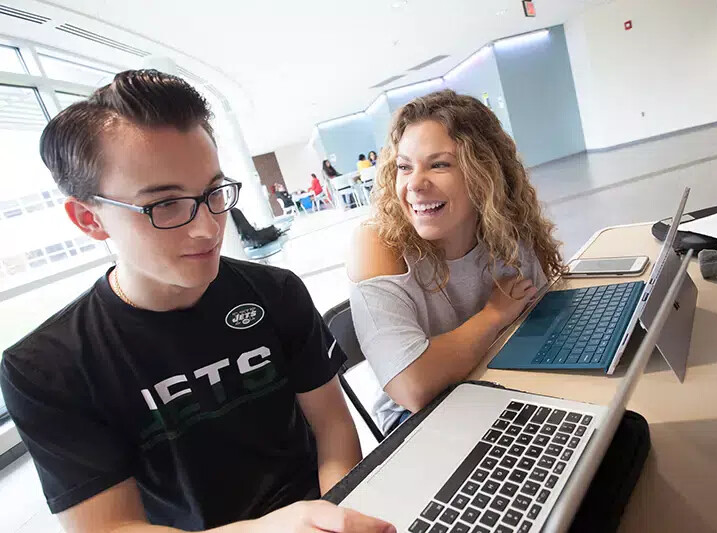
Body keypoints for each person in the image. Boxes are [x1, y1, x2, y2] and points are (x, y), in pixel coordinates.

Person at [0, 70, 394, 533]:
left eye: (212, 193)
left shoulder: (275, 293)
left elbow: (331, 428)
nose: (208, 228)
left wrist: (335, 512)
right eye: (165, 204)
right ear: (89, 218)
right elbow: (108, 528)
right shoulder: (48, 367)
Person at [347, 90, 564, 433]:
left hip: (504, 382)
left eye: (439, 164)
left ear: (484, 172)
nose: (415, 184)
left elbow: (540, 314)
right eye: (404, 167)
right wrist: (493, 315)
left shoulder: (505, 225)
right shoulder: (378, 242)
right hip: (422, 421)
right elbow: (412, 386)